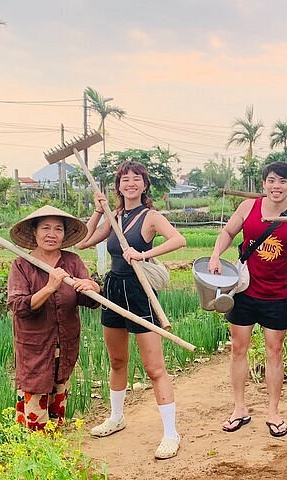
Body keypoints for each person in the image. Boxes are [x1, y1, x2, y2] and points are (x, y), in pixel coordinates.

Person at [76, 161, 186, 460]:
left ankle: (170, 433)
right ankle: (116, 417)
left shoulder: (150, 217)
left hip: (140, 292)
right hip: (113, 289)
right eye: (125, 180)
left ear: (144, 185)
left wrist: (143, 254)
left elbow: (179, 239)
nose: (131, 184)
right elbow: (83, 241)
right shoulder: (113, 217)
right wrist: (99, 211)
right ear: (118, 186)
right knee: (117, 360)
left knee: (154, 368)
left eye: (136, 179)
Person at [208, 161, 287, 438]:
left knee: (274, 351)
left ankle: (273, 411)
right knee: (238, 348)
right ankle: (239, 408)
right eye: (271, 180)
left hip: (278, 294)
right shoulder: (248, 208)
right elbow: (227, 232)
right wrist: (214, 255)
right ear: (264, 183)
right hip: (244, 290)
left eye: (282, 182)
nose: (276, 186)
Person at [7, 205, 101, 431]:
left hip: (66, 347)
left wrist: (93, 287)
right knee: (34, 412)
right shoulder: (22, 265)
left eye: (58, 229)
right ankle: (36, 457)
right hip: (35, 350)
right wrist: (50, 287)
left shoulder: (72, 262)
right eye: (45, 228)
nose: (52, 234)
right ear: (34, 232)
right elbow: (18, 306)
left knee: (57, 409)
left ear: (64, 234)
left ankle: (54, 454)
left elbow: (89, 301)